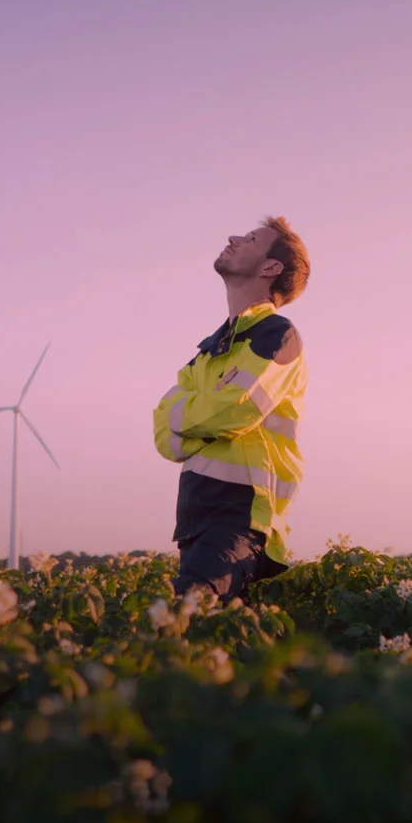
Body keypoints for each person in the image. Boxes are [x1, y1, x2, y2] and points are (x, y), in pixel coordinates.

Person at [152, 216, 310, 601]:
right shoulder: (207, 351)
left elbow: (233, 409)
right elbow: (163, 435)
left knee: (184, 616)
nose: (233, 237)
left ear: (270, 268)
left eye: (252, 239)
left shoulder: (277, 336)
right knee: (206, 644)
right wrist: (207, 417)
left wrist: (191, 417)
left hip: (241, 519)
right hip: (193, 520)